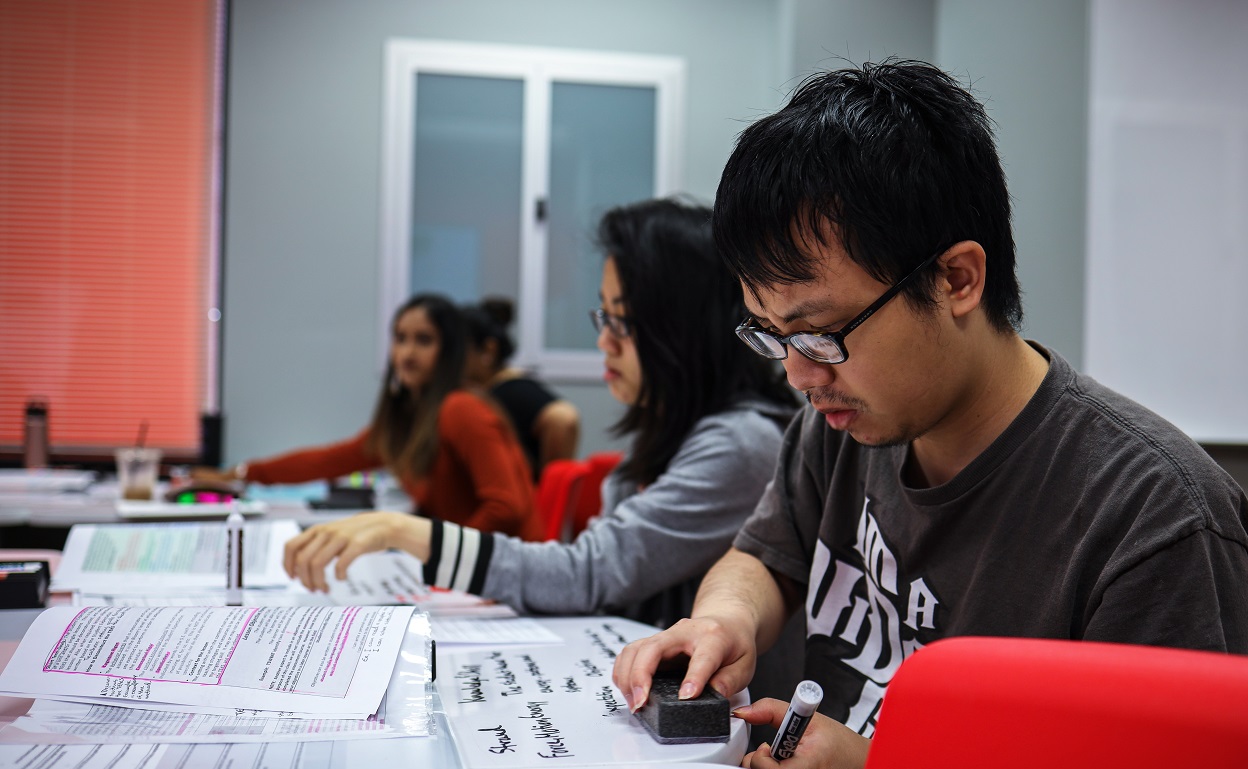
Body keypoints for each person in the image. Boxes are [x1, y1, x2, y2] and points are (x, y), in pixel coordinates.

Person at [611, 59, 1248, 769]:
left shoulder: (1153, 512)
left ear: (957, 278)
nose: (799, 377)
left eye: (818, 333)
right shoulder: (842, 422)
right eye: (770, 337)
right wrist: (725, 624)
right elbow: (765, 557)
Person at [283, 198, 800, 627]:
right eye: (604, 316)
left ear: (681, 329)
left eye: (620, 322)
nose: (602, 341)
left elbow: (588, 573)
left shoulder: (740, 443)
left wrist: (404, 532)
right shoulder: (668, 433)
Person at [197, 293, 542, 539]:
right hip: (466, 573)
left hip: (506, 581)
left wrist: (440, 556)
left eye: (424, 340)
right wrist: (241, 474)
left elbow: (506, 508)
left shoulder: (462, 409)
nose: (407, 352)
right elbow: (328, 461)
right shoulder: (408, 419)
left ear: (449, 350)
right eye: (400, 338)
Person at [463, 296, 581, 480]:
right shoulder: (494, 389)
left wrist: (549, 483)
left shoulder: (510, 390)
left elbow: (564, 418)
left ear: (488, 350)